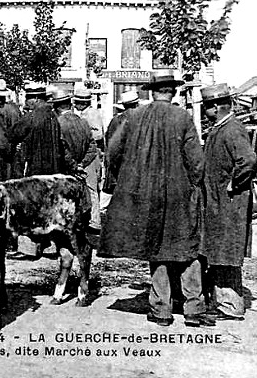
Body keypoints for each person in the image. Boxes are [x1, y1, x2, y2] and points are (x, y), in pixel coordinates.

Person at [99, 69, 210, 328]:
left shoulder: (133, 116)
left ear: (152, 91)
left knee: (157, 248)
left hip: (146, 193)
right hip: (179, 193)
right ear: (173, 92)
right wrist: (192, 185)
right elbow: (196, 162)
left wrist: (128, 177)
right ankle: (193, 308)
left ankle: (161, 309)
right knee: (186, 246)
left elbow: (112, 152)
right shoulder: (182, 117)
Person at [199, 83, 257, 321]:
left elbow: (249, 160)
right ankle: (221, 301)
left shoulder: (232, 130)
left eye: (206, 108)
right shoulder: (220, 129)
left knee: (227, 252)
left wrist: (233, 184)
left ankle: (232, 306)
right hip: (218, 202)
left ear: (215, 107)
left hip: (229, 203)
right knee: (218, 250)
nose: (205, 112)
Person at [7, 83, 65, 259]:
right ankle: (50, 246)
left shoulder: (32, 117)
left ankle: (28, 249)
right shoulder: (52, 115)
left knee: (29, 207)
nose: (26, 101)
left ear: (36, 98)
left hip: (35, 168)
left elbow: (12, 134)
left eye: (28, 98)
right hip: (52, 170)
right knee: (49, 208)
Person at [54, 89, 100, 233]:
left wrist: (74, 165)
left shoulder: (58, 123)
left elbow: (63, 149)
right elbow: (93, 147)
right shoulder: (83, 122)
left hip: (67, 168)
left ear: (56, 107)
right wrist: (82, 164)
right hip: (81, 166)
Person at [100, 91, 139, 225]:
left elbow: (109, 144)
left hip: (118, 168)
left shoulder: (115, 120)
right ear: (137, 103)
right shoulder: (142, 119)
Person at [73, 88, 105, 152]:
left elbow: (98, 134)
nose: (74, 105)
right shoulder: (84, 113)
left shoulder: (92, 113)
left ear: (84, 103)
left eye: (76, 102)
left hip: (94, 149)